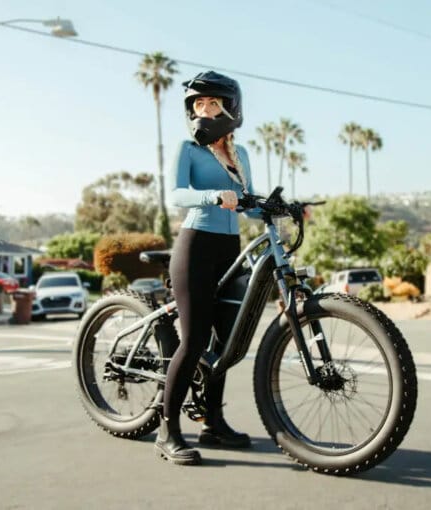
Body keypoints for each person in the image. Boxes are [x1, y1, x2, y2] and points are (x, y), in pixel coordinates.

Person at [155, 71, 259, 465]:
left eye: (212, 103)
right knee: (195, 338)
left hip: (230, 250)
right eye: (198, 104)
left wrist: (277, 206)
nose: (204, 110)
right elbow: (178, 194)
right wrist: (213, 195)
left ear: (230, 108)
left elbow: (247, 201)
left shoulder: (241, 154)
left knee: (225, 343)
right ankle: (167, 431)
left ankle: (213, 423)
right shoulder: (188, 149)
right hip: (196, 245)